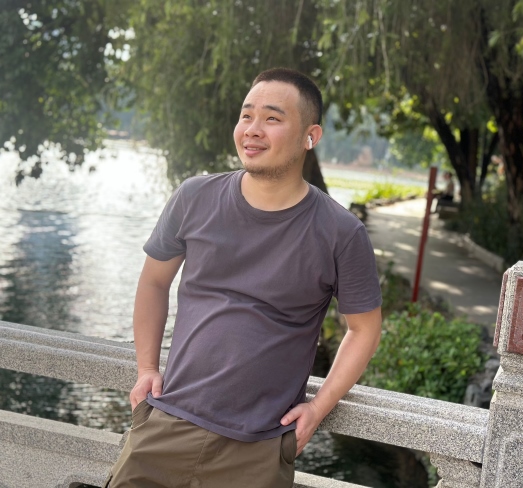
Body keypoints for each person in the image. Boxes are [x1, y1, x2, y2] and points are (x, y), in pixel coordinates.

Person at [102, 68, 383, 488]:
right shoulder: (194, 197)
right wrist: (146, 367)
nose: (252, 129)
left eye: (272, 118)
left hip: (259, 448)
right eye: (246, 115)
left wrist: (319, 407)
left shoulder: (341, 232)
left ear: (310, 136)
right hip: (166, 423)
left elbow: (364, 329)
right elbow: (154, 283)